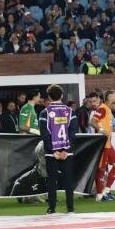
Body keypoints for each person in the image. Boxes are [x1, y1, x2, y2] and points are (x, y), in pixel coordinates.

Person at [40, 84, 78, 215]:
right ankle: (70, 209)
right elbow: (73, 132)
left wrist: (53, 151)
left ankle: (51, 208)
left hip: (52, 153)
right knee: (68, 181)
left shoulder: (45, 112)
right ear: (62, 95)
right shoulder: (70, 112)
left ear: (49, 97)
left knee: (52, 181)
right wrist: (67, 150)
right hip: (67, 152)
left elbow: (44, 134)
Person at [89, 90, 115, 201]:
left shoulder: (107, 109)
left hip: (108, 144)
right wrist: (102, 130)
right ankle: (99, 196)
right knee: (101, 169)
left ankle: (106, 192)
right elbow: (92, 121)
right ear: (108, 97)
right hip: (103, 144)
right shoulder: (103, 108)